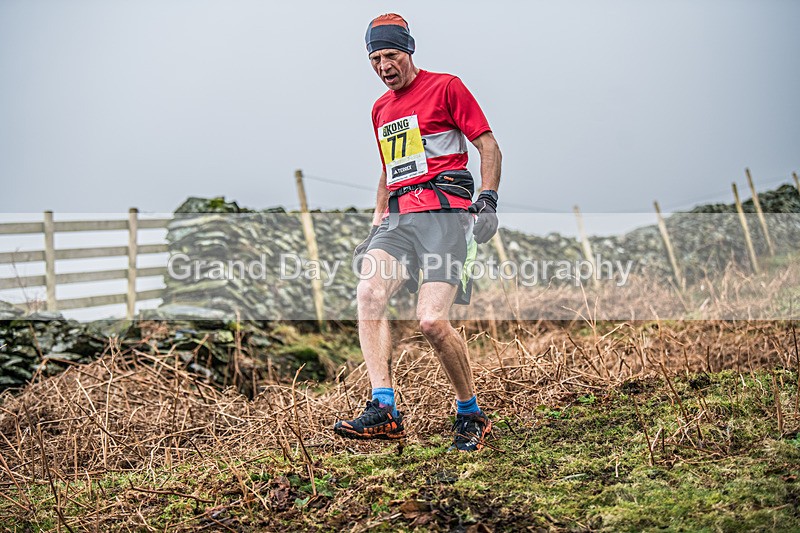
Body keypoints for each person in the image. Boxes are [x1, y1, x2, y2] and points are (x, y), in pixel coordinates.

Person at [333, 13, 502, 452]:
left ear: (408, 51)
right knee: (368, 293)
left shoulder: (446, 86)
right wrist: (376, 222)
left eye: (390, 55)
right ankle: (384, 408)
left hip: (445, 214)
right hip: (400, 218)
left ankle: (471, 414)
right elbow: (390, 168)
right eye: (375, 59)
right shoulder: (380, 109)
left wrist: (488, 200)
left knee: (431, 322)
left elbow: (487, 144)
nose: (383, 65)